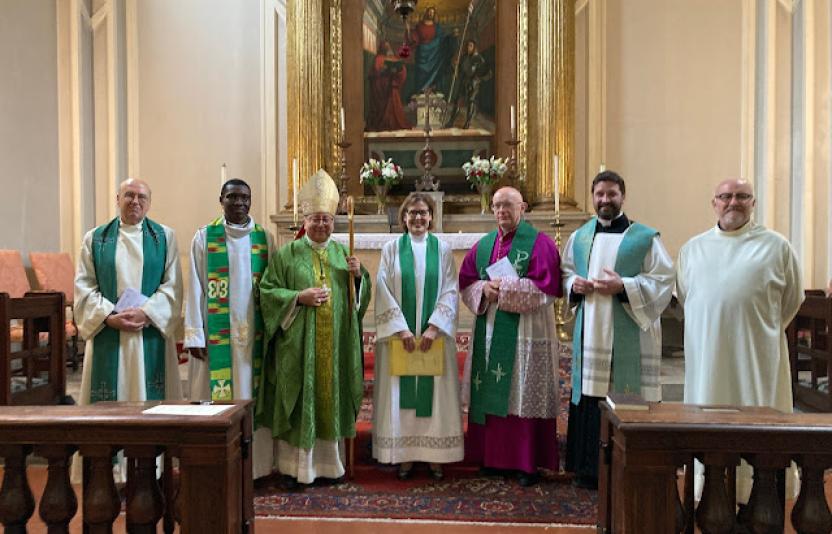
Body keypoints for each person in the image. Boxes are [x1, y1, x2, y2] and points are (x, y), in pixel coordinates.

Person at [677, 178, 804, 504]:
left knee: (758, 425)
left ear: (753, 202)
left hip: (757, 359)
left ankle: (760, 494)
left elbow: (791, 300)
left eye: (742, 196)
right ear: (714, 202)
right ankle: (709, 489)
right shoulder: (692, 249)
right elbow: (685, 296)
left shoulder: (777, 247)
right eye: (726, 196)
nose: (733, 202)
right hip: (709, 358)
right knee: (708, 418)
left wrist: (757, 328)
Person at [256, 169, 371, 487]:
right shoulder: (287, 254)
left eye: (327, 219)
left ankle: (329, 467)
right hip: (299, 346)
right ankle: (296, 469)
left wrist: (359, 277)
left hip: (335, 347)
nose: (322, 224)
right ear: (305, 221)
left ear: (334, 222)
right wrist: (298, 298)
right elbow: (267, 292)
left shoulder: (341, 252)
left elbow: (357, 302)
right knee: (300, 399)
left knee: (329, 398)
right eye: (316, 218)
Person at [561, 170, 674, 489]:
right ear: (592, 197)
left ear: (623, 196)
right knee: (590, 397)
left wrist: (623, 286)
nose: (605, 200)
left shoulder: (645, 237)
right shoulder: (580, 236)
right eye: (599, 194)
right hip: (592, 330)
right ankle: (588, 470)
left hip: (630, 334)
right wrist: (574, 284)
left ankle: (628, 466)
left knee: (624, 397)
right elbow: (566, 271)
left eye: (611, 194)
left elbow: (664, 281)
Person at [73, 178, 182, 480]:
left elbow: (173, 286)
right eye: (129, 196)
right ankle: (109, 471)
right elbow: (84, 286)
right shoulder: (95, 239)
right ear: (117, 198)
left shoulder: (164, 237)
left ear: (150, 202)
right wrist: (107, 316)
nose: (135, 202)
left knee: (151, 399)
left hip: (149, 335)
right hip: (110, 332)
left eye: (142, 197)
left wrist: (147, 314)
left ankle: (153, 468)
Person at [458, 186, 562, 486]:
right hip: (491, 331)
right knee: (493, 389)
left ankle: (526, 462)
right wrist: (482, 289)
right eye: (497, 205)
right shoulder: (483, 245)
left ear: (523, 208)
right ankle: (493, 458)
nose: (502, 211)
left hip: (526, 333)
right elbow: (466, 283)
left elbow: (546, 288)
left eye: (508, 205)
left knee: (523, 390)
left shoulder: (540, 243)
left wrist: (501, 290)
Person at [184, 178, 276, 478]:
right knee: (216, 399)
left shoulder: (264, 238)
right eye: (232, 197)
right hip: (216, 334)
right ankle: (214, 464)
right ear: (220, 199)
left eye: (245, 198)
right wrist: (195, 333)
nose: (239, 203)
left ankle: (256, 469)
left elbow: (274, 288)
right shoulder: (204, 237)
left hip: (254, 336)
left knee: (252, 395)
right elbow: (195, 287)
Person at [372, 193, 463, 480]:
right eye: (412, 213)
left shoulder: (444, 250)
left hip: (432, 339)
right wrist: (401, 329)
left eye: (423, 212)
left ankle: (435, 456)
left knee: (435, 395)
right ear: (404, 217)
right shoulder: (391, 249)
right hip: (403, 339)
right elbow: (382, 288)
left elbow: (450, 288)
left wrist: (434, 327)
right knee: (401, 395)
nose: (418, 218)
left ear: (431, 217)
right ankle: (404, 455)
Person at [444, 39, 492, 129]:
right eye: (467, 46)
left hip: (473, 84)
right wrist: (455, 66)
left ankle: (468, 122)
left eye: (470, 46)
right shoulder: (464, 57)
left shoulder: (479, 59)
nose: (468, 48)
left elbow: (488, 73)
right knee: (457, 101)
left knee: (471, 102)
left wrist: (478, 79)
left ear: (474, 47)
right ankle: (451, 121)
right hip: (464, 82)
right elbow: (459, 70)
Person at [367, 40, 412, 131]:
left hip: (391, 85)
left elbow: (400, 69)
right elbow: (376, 72)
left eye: (388, 46)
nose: (387, 48)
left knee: (394, 104)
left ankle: (393, 123)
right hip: (383, 87)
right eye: (385, 46)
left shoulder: (392, 57)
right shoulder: (378, 58)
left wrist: (398, 69)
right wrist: (385, 70)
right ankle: (384, 123)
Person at [410, 6, 448, 95]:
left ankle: (430, 91)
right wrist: (410, 32)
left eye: (432, 12)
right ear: (426, 13)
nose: (431, 14)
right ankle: (420, 91)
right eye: (429, 12)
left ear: (434, 14)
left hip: (434, 55)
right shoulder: (419, 25)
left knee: (434, 73)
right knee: (421, 73)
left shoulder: (437, 27)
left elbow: (441, 39)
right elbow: (414, 37)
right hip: (421, 53)